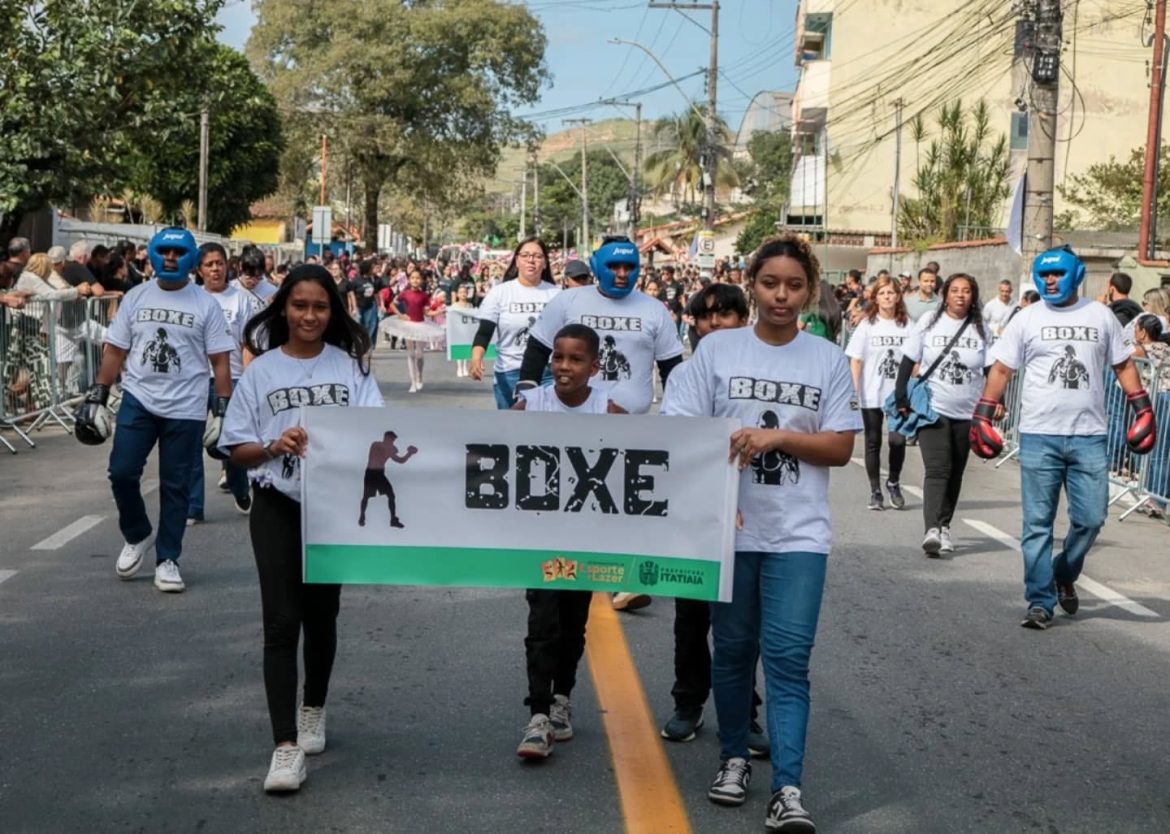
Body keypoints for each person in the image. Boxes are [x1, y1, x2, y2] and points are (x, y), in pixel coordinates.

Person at [662, 233, 859, 832]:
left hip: (799, 535)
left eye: (794, 285)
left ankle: (789, 788)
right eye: (770, 282)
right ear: (752, 283)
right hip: (730, 532)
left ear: (811, 290)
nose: (781, 295)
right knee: (733, 652)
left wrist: (777, 437)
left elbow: (842, 446)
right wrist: (717, 498)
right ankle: (732, 759)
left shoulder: (825, 358)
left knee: (789, 659)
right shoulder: (718, 351)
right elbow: (681, 432)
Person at [219, 264, 383, 793]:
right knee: (279, 624)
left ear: (332, 312)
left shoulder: (352, 369)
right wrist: (273, 445)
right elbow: (237, 451)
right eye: (299, 306)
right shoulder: (262, 372)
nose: (309, 315)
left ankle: (314, 706)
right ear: (283, 309)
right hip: (277, 504)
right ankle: (285, 747)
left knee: (321, 615)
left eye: (319, 307)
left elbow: (378, 432)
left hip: (331, 509)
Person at [971, 246, 1156, 629]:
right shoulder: (1027, 318)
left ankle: (1063, 573)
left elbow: (1123, 364)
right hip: (1039, 435)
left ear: (1076, 274)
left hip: (1089, 436)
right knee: (1037, 523)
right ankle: (1040, 601)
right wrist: (984, 413)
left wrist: (1143, 408)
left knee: (1091, 519)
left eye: (1058, 274)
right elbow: (1003, 368)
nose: (1050, 280)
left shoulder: (1100, 315)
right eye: (1045, 274)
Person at [519, 235, 684, 612]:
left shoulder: (656, 311)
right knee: (572, 504)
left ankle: (625, 580)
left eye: (630, 267)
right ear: (596, 266)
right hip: (568, 428)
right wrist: (525, 405)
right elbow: (537, 353)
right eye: (614, 267)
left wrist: (678, 422)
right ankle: (559, 570)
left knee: (626, 506)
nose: (623, 274)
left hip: (629, 429)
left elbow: (673, 371)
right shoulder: (568, 301)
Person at [72, 228, 235, 593]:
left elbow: (220, 362)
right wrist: (98, 393)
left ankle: (168, 559)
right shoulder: (136, 296)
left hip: (187, 407)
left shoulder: (205, 304)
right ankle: (137, 534)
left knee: (175, 486)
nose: (172, 259)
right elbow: (115, 350)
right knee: (122, 472)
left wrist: (222, 410)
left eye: (179, 253)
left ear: (191, 258)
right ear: (153, 256)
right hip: (139, 400)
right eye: (165, 252)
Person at [660, 282, 768, 757]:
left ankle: (746, 713)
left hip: (757, 519)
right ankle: (689, 702)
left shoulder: (764, 372)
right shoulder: (684, 376)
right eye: (704, 317)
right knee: (691, 617)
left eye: (725, 315)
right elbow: (676, 441)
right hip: (697, 516)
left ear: (744, 318)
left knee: (744, 625)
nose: (714, 324)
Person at [511, 323, 626, 759]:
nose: (564, 366)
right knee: (542, 621)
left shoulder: (609, 410)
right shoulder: (531, 405)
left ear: (594, 367)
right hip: (540, 537)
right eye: (558, 357)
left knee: (573, 622)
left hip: (585, 538)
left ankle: (562, 698)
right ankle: (538, 713)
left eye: (576, 359)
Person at [895, 273, 993, 556]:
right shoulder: (929, 322)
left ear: (972, 296)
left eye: (966, 291)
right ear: (945, 295)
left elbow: (990, 369)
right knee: (938, 468)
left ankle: (945, 526)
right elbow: (909, 358)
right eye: (954, 291)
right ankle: (932, 529)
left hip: (967, 410)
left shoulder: (981, 328)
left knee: (956, 471)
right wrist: (901, 394)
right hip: (933, 407)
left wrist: (993, 401)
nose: (960, 296)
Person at [187, 242, 256, 523]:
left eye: (219, 263)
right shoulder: (191, 299)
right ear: (199, 270)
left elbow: (248, 342)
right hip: (195, 380)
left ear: (228, 265)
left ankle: (240, 488)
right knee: (191, 442)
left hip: (233, 377)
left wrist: (248, 377)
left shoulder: (240, 299)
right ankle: (193, 506)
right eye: (209, 265)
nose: (215, 269)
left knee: (230, 441)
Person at [469, 236, 560, 408]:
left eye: (537, 256)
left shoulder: (556, 294)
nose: (531, 260)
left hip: (547, 373)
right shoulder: (500, 293)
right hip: (510, 372)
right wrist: (476, 358)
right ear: (517, 261)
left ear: (545, 263)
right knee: (511, 430)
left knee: (546, 430)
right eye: (525, 255)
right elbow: (484, 332)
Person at [846, 274, 911, 511]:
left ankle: (893, 481)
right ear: (875, 298)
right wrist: (853, 390)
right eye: (882, 293)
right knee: (873, 442)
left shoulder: (907, 325)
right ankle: (875, 491)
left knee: (897, 440)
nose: (887, 297)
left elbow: (915, 359)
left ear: (898, 296)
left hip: (897, 393)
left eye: (891, 293)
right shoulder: (867, 325)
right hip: (870, 390)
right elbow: (856, 360)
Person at [383, 270, 445, 392]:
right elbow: (392, 304)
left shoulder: (424, 296)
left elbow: (427, 312)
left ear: (421, 280)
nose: (415, 280)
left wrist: (438, 312)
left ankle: (419, 375)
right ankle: (412, 382)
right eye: (412, 278)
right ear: (409, 280)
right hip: (408, 324)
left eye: (417, 278)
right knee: (411, 354)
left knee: (419, 355)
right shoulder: (405, 294)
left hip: (421, 324)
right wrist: (400, 315)